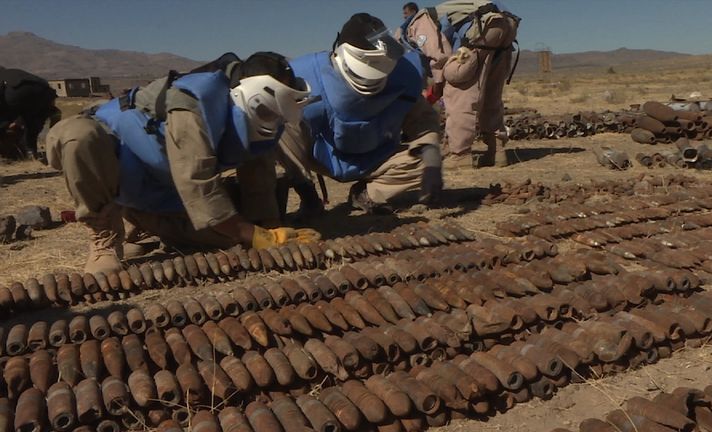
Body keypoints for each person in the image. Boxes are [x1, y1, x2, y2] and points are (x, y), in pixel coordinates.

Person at [45, 52, 320, 274]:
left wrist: (268, 227)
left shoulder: (264, 116)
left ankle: (144, 219)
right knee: (79, 137)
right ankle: (105, 236)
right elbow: (197, 183)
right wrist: (257, 236)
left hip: (162, 188)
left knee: (231, 238)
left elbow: (258, 171)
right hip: (118, 169)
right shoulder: (193, 105)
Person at [276, 13, 442, 216]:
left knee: (425, 158)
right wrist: (304, 188)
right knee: (283, 127)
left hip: (377, 156)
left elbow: (422, 119)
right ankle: (309, 197)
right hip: (325, 156)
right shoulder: (306, 80)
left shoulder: (402, 76)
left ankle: (366, 194)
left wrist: (432, 159)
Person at [404, 0, 520, 168]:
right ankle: (497, 152)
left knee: (457, 86)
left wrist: (437, 86)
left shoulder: (416, 25)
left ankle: (460, 154)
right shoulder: (439, 14)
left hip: (482, 27)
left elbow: (440, 56)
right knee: (489, 94)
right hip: (506, 26)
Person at [0, 67, 61, 159]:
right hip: (45, 93)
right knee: (32, 126)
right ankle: (31, 151)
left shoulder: (5, 77)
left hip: (17, 95)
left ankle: (25, 151)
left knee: (25, 125)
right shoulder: (13, 73)